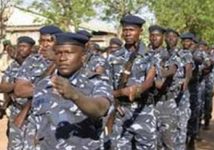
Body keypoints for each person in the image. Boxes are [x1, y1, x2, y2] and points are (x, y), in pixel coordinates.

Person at [30, 32, 113, 149]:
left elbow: (100, 109)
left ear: (83, 56)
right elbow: (35, 124)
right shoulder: (44, 84)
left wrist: (75, 95)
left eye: (69, 53)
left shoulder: (97, 82)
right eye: (58, 53)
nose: (62, 58)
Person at [110, 14, 157, 150]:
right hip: (120, 113)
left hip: (143, 112)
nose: (128, 33)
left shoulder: (149, 56)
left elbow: (149, 80)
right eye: (125, 30)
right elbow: (106, 85)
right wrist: (118, 96)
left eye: (131, 30)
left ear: (140, 32)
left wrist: (136, 91)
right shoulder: (114, 57)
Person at [12, 25, 62, 150]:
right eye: (42, 41)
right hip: (33, 121)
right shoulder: (33, 61)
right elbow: (20, 90)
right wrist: (49, 88)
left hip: (59, 122)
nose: (44, 45)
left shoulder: (67, 63)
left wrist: (34, 88)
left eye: (49, 41)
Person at [0, 36, 35, 148]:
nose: (20, 49)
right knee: (14, 145)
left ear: (32, 48)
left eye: (24, 46)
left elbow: (41, 88)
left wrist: (15, 88)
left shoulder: (39, 64)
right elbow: (3, 86)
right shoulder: (13, 65)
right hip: (16, 109)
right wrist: (19, 88)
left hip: (34, 113)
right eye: (19, 46)